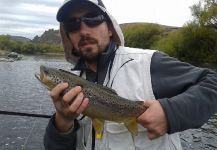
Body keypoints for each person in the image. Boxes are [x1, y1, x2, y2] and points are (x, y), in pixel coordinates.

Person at [44, 0, 217, 149]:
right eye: (73, 24)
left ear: (110, 28)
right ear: (68, 37)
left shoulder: (148, 63)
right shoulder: (70, 85)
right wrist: (63, 122)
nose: (83, 30)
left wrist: (170, 113)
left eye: (92, 19)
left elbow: (213, 82)